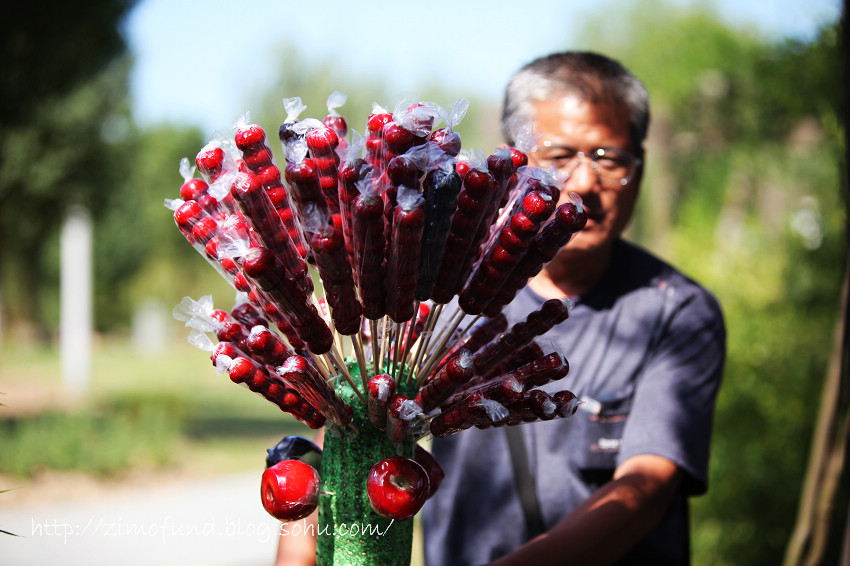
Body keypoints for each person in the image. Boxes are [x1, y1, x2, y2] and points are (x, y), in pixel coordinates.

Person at [421, 51, 726, 565]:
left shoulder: (675, 312)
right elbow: (346, 432)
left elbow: (645, 486)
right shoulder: (441, 292)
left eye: (609, 159)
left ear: (641, 166)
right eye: (559, 156)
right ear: (511, 161)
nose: (585, 183)